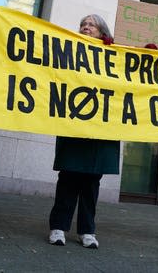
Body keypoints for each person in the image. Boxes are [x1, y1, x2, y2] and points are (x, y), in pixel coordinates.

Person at [48, 14, 119, 249]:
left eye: (91, 25)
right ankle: (58, 228)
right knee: (68, 178)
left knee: (91, 183)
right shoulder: (68, 49)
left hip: (99, 128)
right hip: (74, 124)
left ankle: (87, 231)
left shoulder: (114, 54)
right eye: (83, 24)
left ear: (102, 32)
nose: (86, 27)